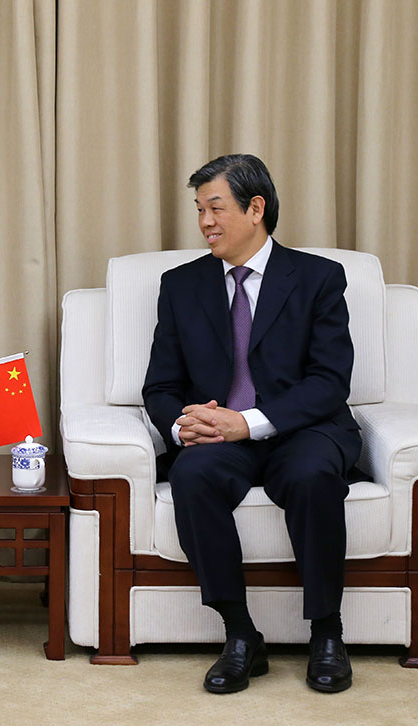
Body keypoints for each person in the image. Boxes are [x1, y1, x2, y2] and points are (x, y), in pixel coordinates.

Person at [142, 154, 359, 694]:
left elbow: (330, 381)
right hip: (220, 436)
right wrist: (183, 427)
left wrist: (250, 422)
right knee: (192, 475)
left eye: (215, 208)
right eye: (199, 210)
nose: (205, 222)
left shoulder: (318, 278)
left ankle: (327, 634)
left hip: (303, 429)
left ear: (255, 208)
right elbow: (161, 387)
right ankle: (241, 635)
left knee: (312, 476)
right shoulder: (181, 285)